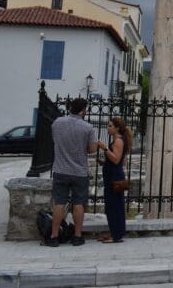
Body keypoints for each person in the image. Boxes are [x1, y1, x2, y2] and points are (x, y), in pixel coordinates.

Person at [47, 97, 97, 247]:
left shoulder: (57, 123)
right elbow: (93, 150)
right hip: (79, 171)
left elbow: (55, 140)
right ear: (83, 110)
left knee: (59, 203)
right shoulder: (88, 127)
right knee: (79, 203)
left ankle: (54, 236)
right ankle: (77, 235)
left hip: (60, 169)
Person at [97, 116, 132, 243]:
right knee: (112, 205)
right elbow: (122, 161)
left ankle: (116, 235)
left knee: (114, 206)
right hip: (112, 175)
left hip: (114, 178)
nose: (108, 128)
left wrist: (104, 148)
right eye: (108, 125)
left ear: (117, 128)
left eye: (110, 126)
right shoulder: (118, 140)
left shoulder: (118, 141)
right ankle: (114, 232)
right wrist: (105, 163)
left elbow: (117, 160)